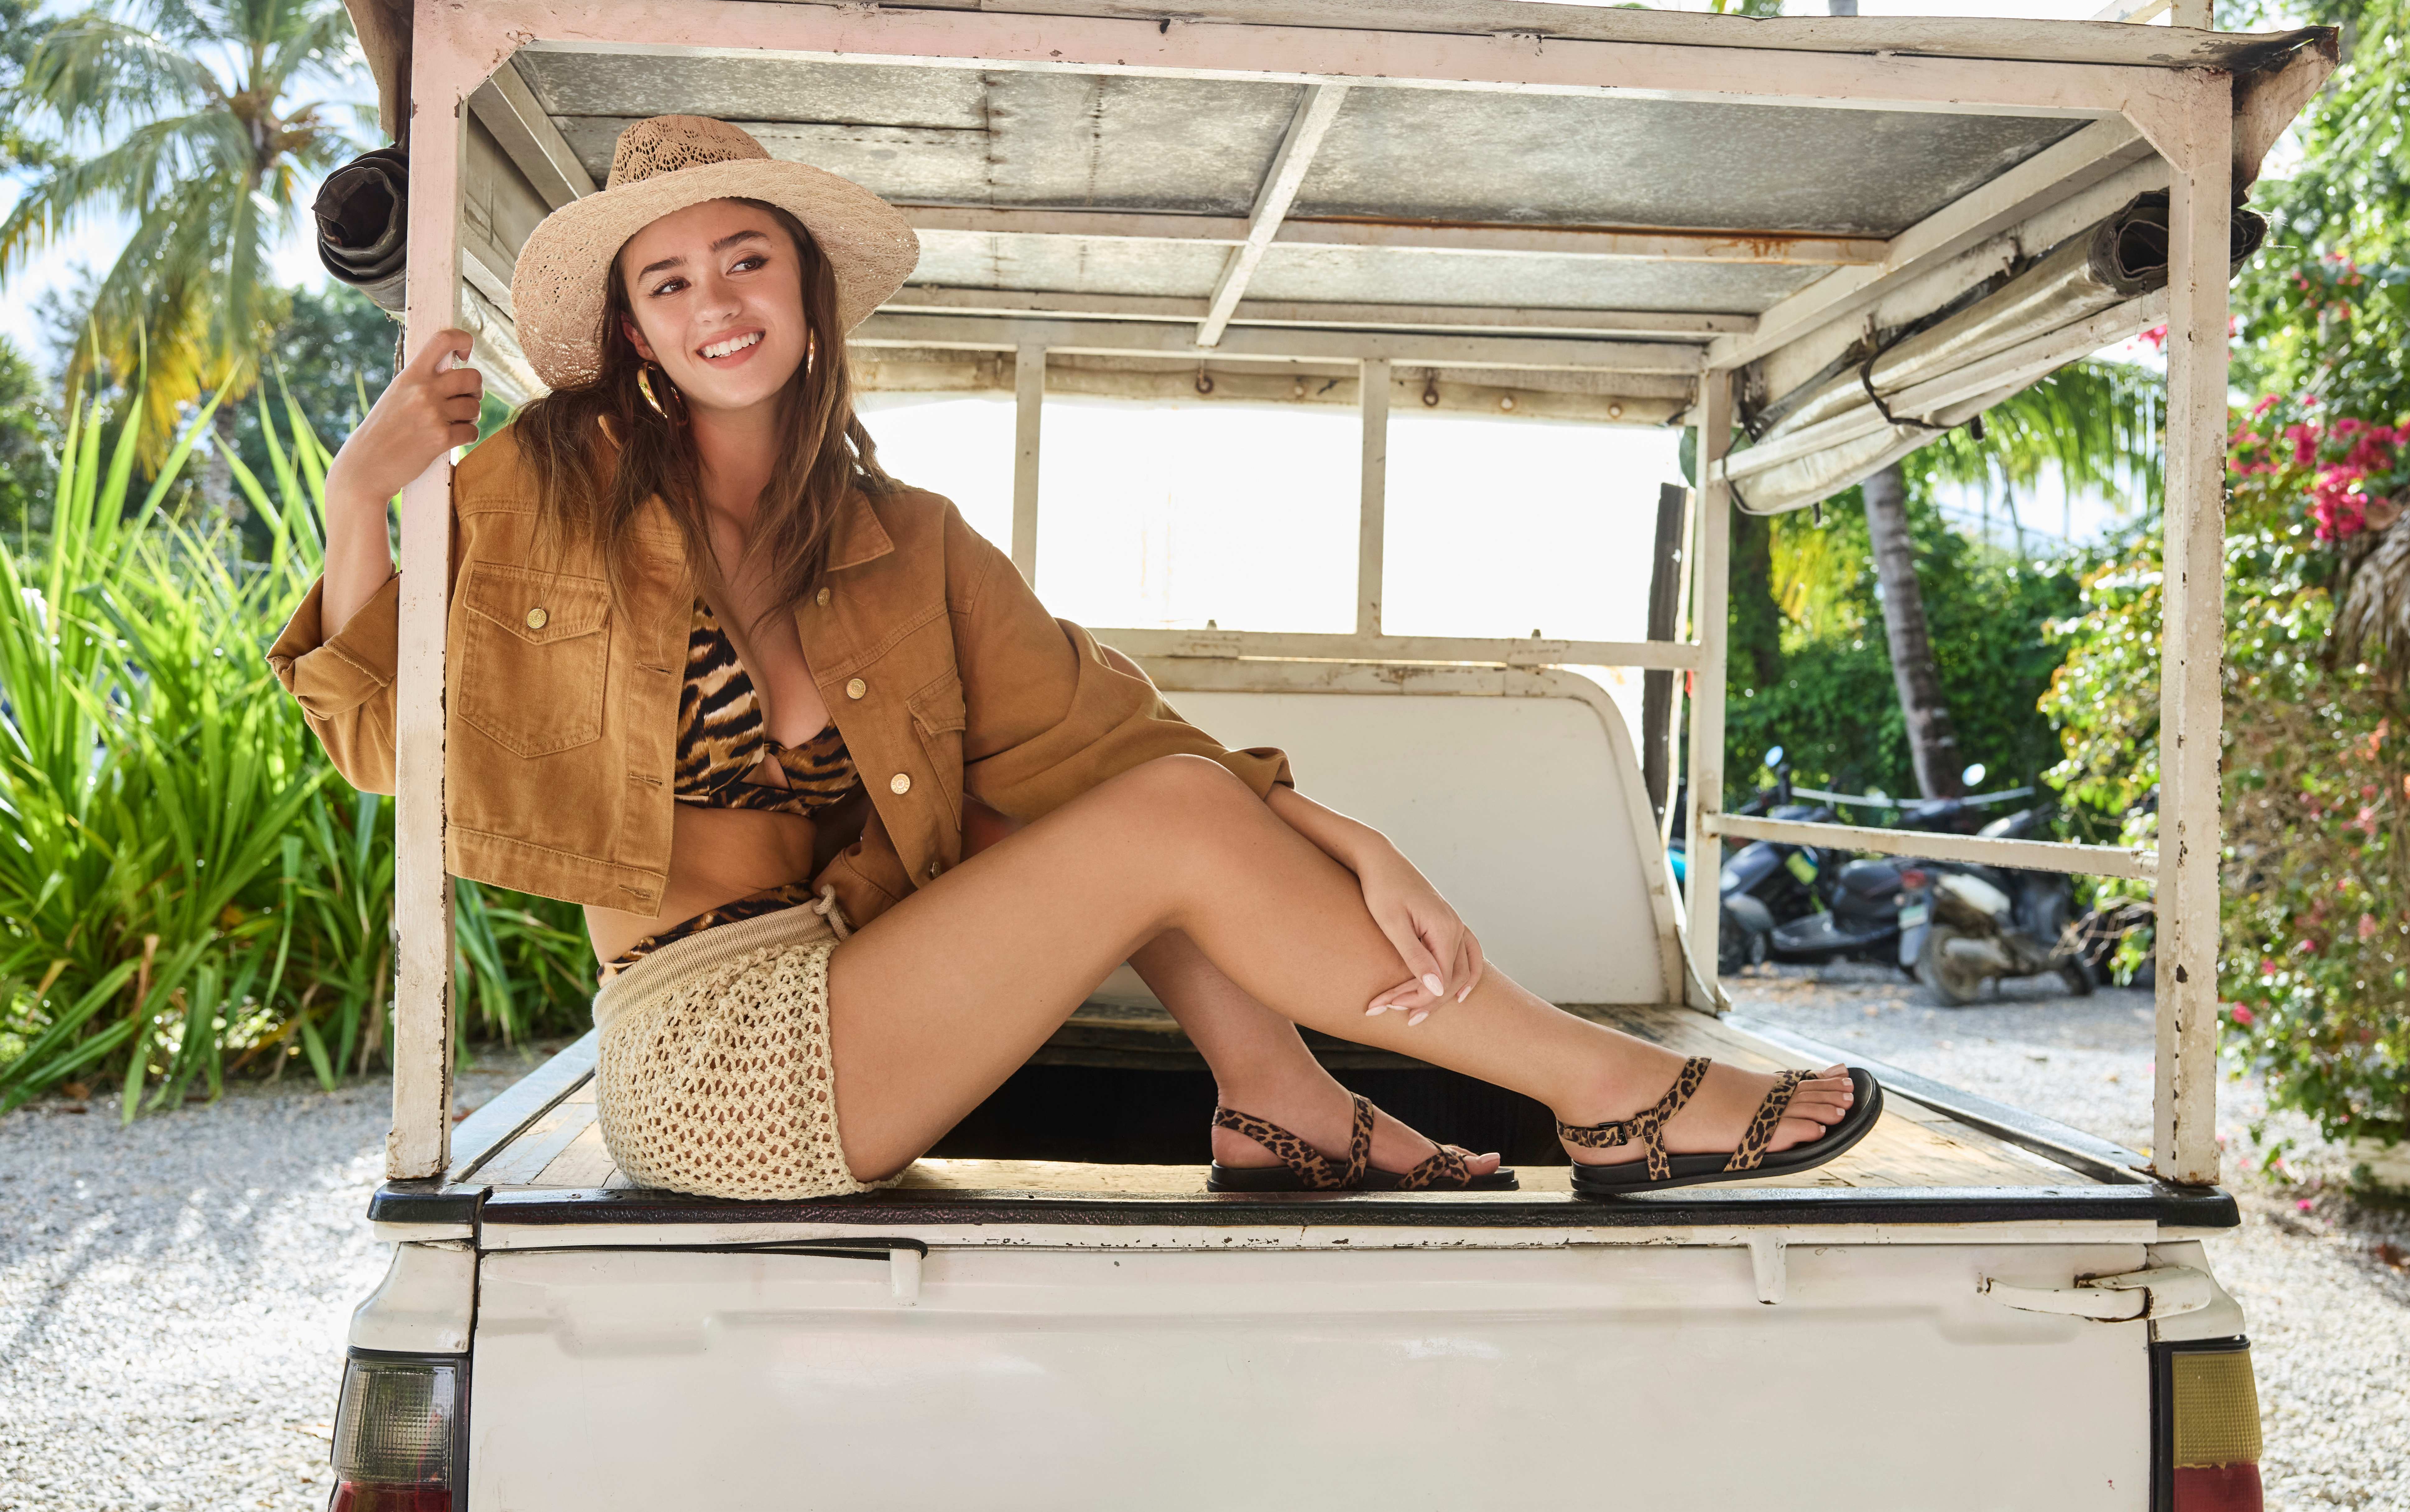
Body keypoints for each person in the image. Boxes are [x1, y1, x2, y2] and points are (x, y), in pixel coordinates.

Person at [269, 115, 1879, 1204]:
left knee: (1086, 796)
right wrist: (361, 498)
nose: (716, 302)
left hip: (843, 981)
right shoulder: (555, 495)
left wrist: (1340, 830)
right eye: (668, 279)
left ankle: (1282, 1103)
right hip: (712, 1050)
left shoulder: (903, 539)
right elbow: (379, 738)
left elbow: (1108, 740)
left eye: (745, 259)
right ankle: (1602, 1088)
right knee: (1158, 824)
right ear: (634, 328)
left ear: (806, 294)